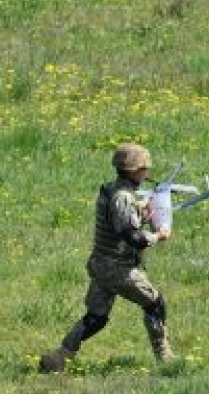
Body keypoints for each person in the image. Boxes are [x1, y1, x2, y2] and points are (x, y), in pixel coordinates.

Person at [39, 143, 174, 373]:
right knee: (154, 304)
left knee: (96, 318)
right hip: (117, 268)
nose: (147, 173)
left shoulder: (112, 190)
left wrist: (140, 211)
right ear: (134, 171)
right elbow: (131, 237)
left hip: (100, 265)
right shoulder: (123, 198)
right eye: (144, 169)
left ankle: (59, 357)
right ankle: (164, 355)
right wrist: (158, 235)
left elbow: (118, 221)